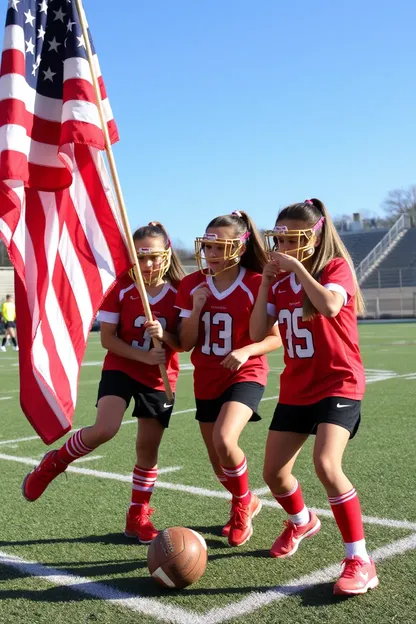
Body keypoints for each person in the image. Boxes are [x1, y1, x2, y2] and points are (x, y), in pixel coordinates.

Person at [22, 223, 185, 544]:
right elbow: (109, 340)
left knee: (147, 448)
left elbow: (183, 342)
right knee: (104, 428)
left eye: (153, 256)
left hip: (159, 376)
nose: (148, 264)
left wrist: (162, 336)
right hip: (123, 367)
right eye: (140, 258)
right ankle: (55, 462)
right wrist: (143, 358)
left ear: (166, 256)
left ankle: (137, 514)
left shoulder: (180, 292)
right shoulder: (121, 287)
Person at [250, 198, 378, 595]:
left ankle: (359, 558)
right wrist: (269, 280)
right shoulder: (280, 278)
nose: (284, 245)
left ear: (313, 237)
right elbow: (257, 333)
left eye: (292, 238)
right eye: (280, 238)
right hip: (297, 386)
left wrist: (298, 269)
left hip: (338, 381)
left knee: (326, 463)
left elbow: (329, 304)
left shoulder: (334, 268)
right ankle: (302, 520)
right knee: (274, 473)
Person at [175, 210, 282, 547]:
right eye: (208, 245)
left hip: (245, 372)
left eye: (220, 246)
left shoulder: (254, 282)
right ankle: (247, 499)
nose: (212, 253)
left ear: (239, 246)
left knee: (225, 439)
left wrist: (247, 351)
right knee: (218, 463)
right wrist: (195, 310)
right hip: (206, 377)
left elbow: (275, 337)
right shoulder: (192, 284)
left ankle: (239, 507)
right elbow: (184, 343)